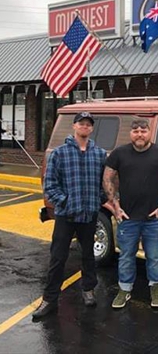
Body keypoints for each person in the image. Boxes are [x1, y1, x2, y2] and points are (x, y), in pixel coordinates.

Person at [32, 112, 107, 320]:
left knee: (88, 255)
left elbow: (106, 182)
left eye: (88, 124)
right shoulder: (60, 153)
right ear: (74, 126)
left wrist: (98, 199)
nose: (84, 126)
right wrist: (64, 201)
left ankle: (88, 290)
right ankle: (49, 299)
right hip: (66, 215)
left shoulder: (99, 154)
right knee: (58, 257)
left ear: (91, 129)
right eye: (81, 123)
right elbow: (50, 184)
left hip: (89, 214)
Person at [103, 118, 158, 309]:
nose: (139, 134)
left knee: (155, 257)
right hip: (128, 218)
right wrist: (116, 206)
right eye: (135, 131)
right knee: (127, 256)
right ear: (131, 133)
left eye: (143, 131)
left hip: (153, 219)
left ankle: (156, 286)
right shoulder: (120, 153)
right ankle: (125, 289)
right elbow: (107, 178)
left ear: (149, 132)